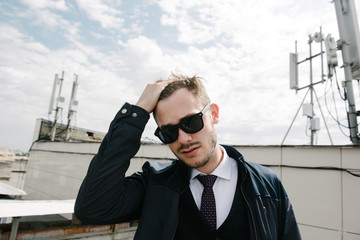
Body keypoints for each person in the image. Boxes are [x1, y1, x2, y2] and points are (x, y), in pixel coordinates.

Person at [75, 74, 301, 240]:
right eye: (169, 132)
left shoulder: (266, 183)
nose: (183, 138)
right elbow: (92, 207)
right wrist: (138, 111)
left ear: (214, 114)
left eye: (191, 122)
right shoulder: (156, 182)